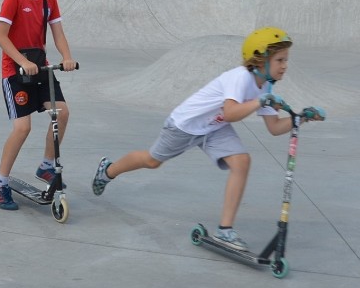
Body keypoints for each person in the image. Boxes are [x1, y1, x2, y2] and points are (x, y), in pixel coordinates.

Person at [91, 27, 325, 250]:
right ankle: (108, 170)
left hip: (214, 128)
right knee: (152, 161)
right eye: (280, 60)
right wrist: (258, 102)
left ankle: (225, 230)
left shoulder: (264, 89)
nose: (285, 65)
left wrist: (302, 117)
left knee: (242, 161)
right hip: (186, 125)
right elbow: (231, 113)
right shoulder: (240, 77)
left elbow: (274, 127)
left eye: (285, 60)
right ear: (260, 60)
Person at [0, 0, 78, 210]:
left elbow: (58, 34)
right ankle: (0, 183)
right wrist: (23, 61)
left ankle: (46, 165)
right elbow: (0, 37)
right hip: (15, 71)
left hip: (40, 68)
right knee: (22, 128)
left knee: (62, 112)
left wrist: (67, 57)